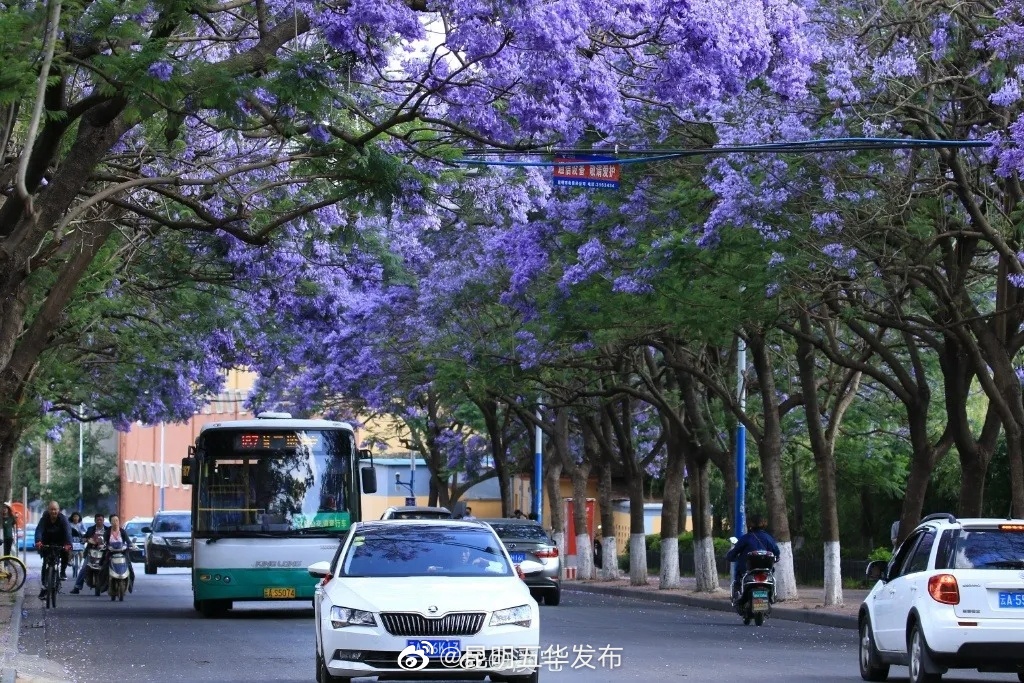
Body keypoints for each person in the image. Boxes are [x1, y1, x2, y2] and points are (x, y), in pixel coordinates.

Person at [725, 516, 780, 599]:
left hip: (747, 571)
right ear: (764, 525)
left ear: (750, 525)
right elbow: (777, 552)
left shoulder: (746, 538)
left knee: (738, 576)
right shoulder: (769, 538)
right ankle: (772, 596)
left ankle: (737, 594)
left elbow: (735, 551)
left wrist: (729, 556)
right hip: (766, 571)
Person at [33, 501, 73, 598]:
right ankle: (44, 587)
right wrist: (38, 541)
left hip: (61, 541)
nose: (53, 511)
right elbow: (39, 530)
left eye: (55, 509)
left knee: (65, 554)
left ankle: (62, 571)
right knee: (45, 563)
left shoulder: (63, 519)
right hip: (47, 542)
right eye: (51, 509)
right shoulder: (44, 518)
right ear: (48, 510)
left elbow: (68, 531)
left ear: (58, 510)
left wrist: (68, 544)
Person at [71, 512, 106, 594]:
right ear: (95, 521)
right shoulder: (90, 529)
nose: (99, 521)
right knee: (84, 568)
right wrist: (86, 540)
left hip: (104, 553)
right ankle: (77, 587)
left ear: (103, 520)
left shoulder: (108, 530)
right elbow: (84, 538)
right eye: (98, 520)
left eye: (101, 520)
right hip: (91, 552)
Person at [102, 514, 135, 593]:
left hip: (123, 553)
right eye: (113, 521)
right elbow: (104, 543)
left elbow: (128, 542)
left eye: (117, 520)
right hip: (110, 554)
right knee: (103, 569)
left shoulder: (123, 531)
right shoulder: (107, 532)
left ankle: (129, 586)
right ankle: (103, 585)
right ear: (110, 522)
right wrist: (104, 546)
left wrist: (131, 546)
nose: (115, 522)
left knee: (130, 569)